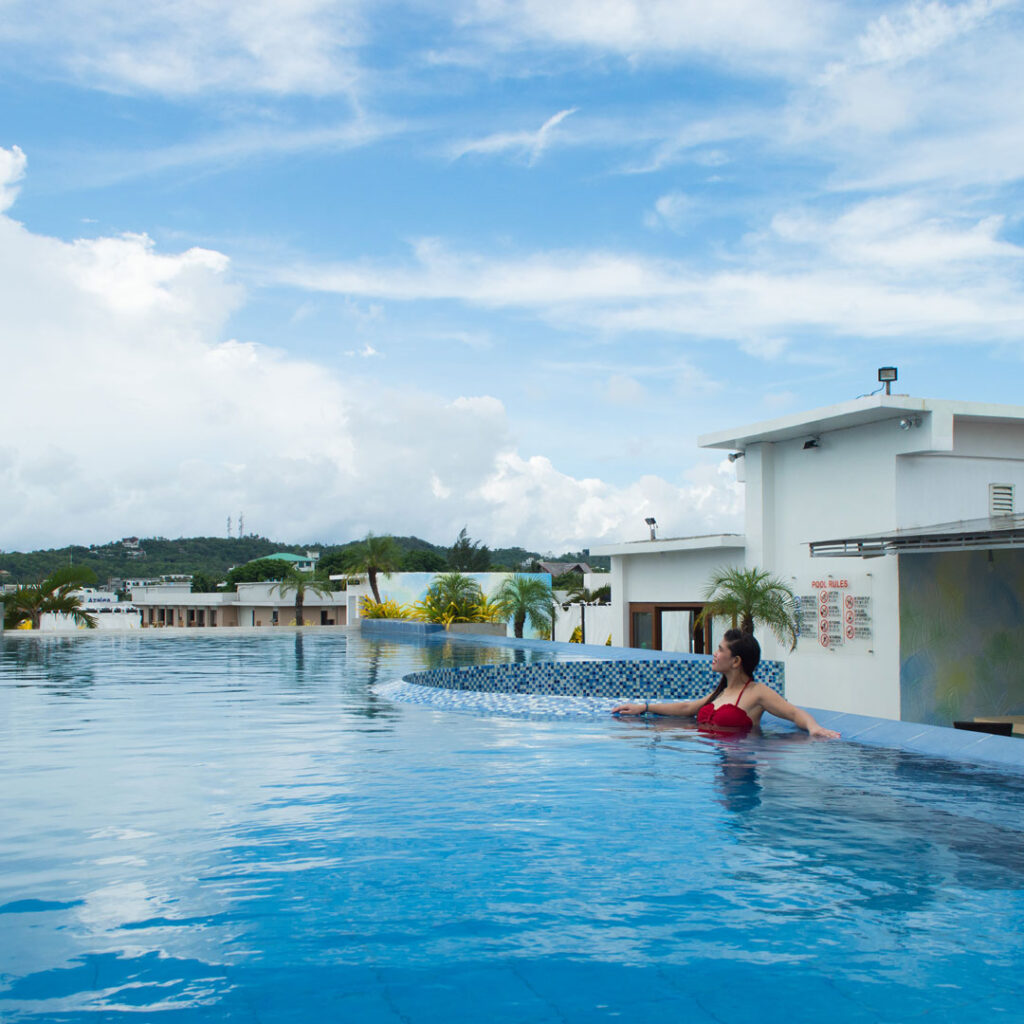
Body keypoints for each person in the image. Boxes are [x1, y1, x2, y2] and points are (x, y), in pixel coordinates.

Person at [611, 629, 840, 738]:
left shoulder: (756, 692)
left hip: (744, 767)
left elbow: (793, 714)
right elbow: (688, 709)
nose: (714, 654)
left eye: (720, 650)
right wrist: (645, 708)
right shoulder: (721, 692)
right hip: (718, 761)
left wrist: (814, 728)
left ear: (736, 661)